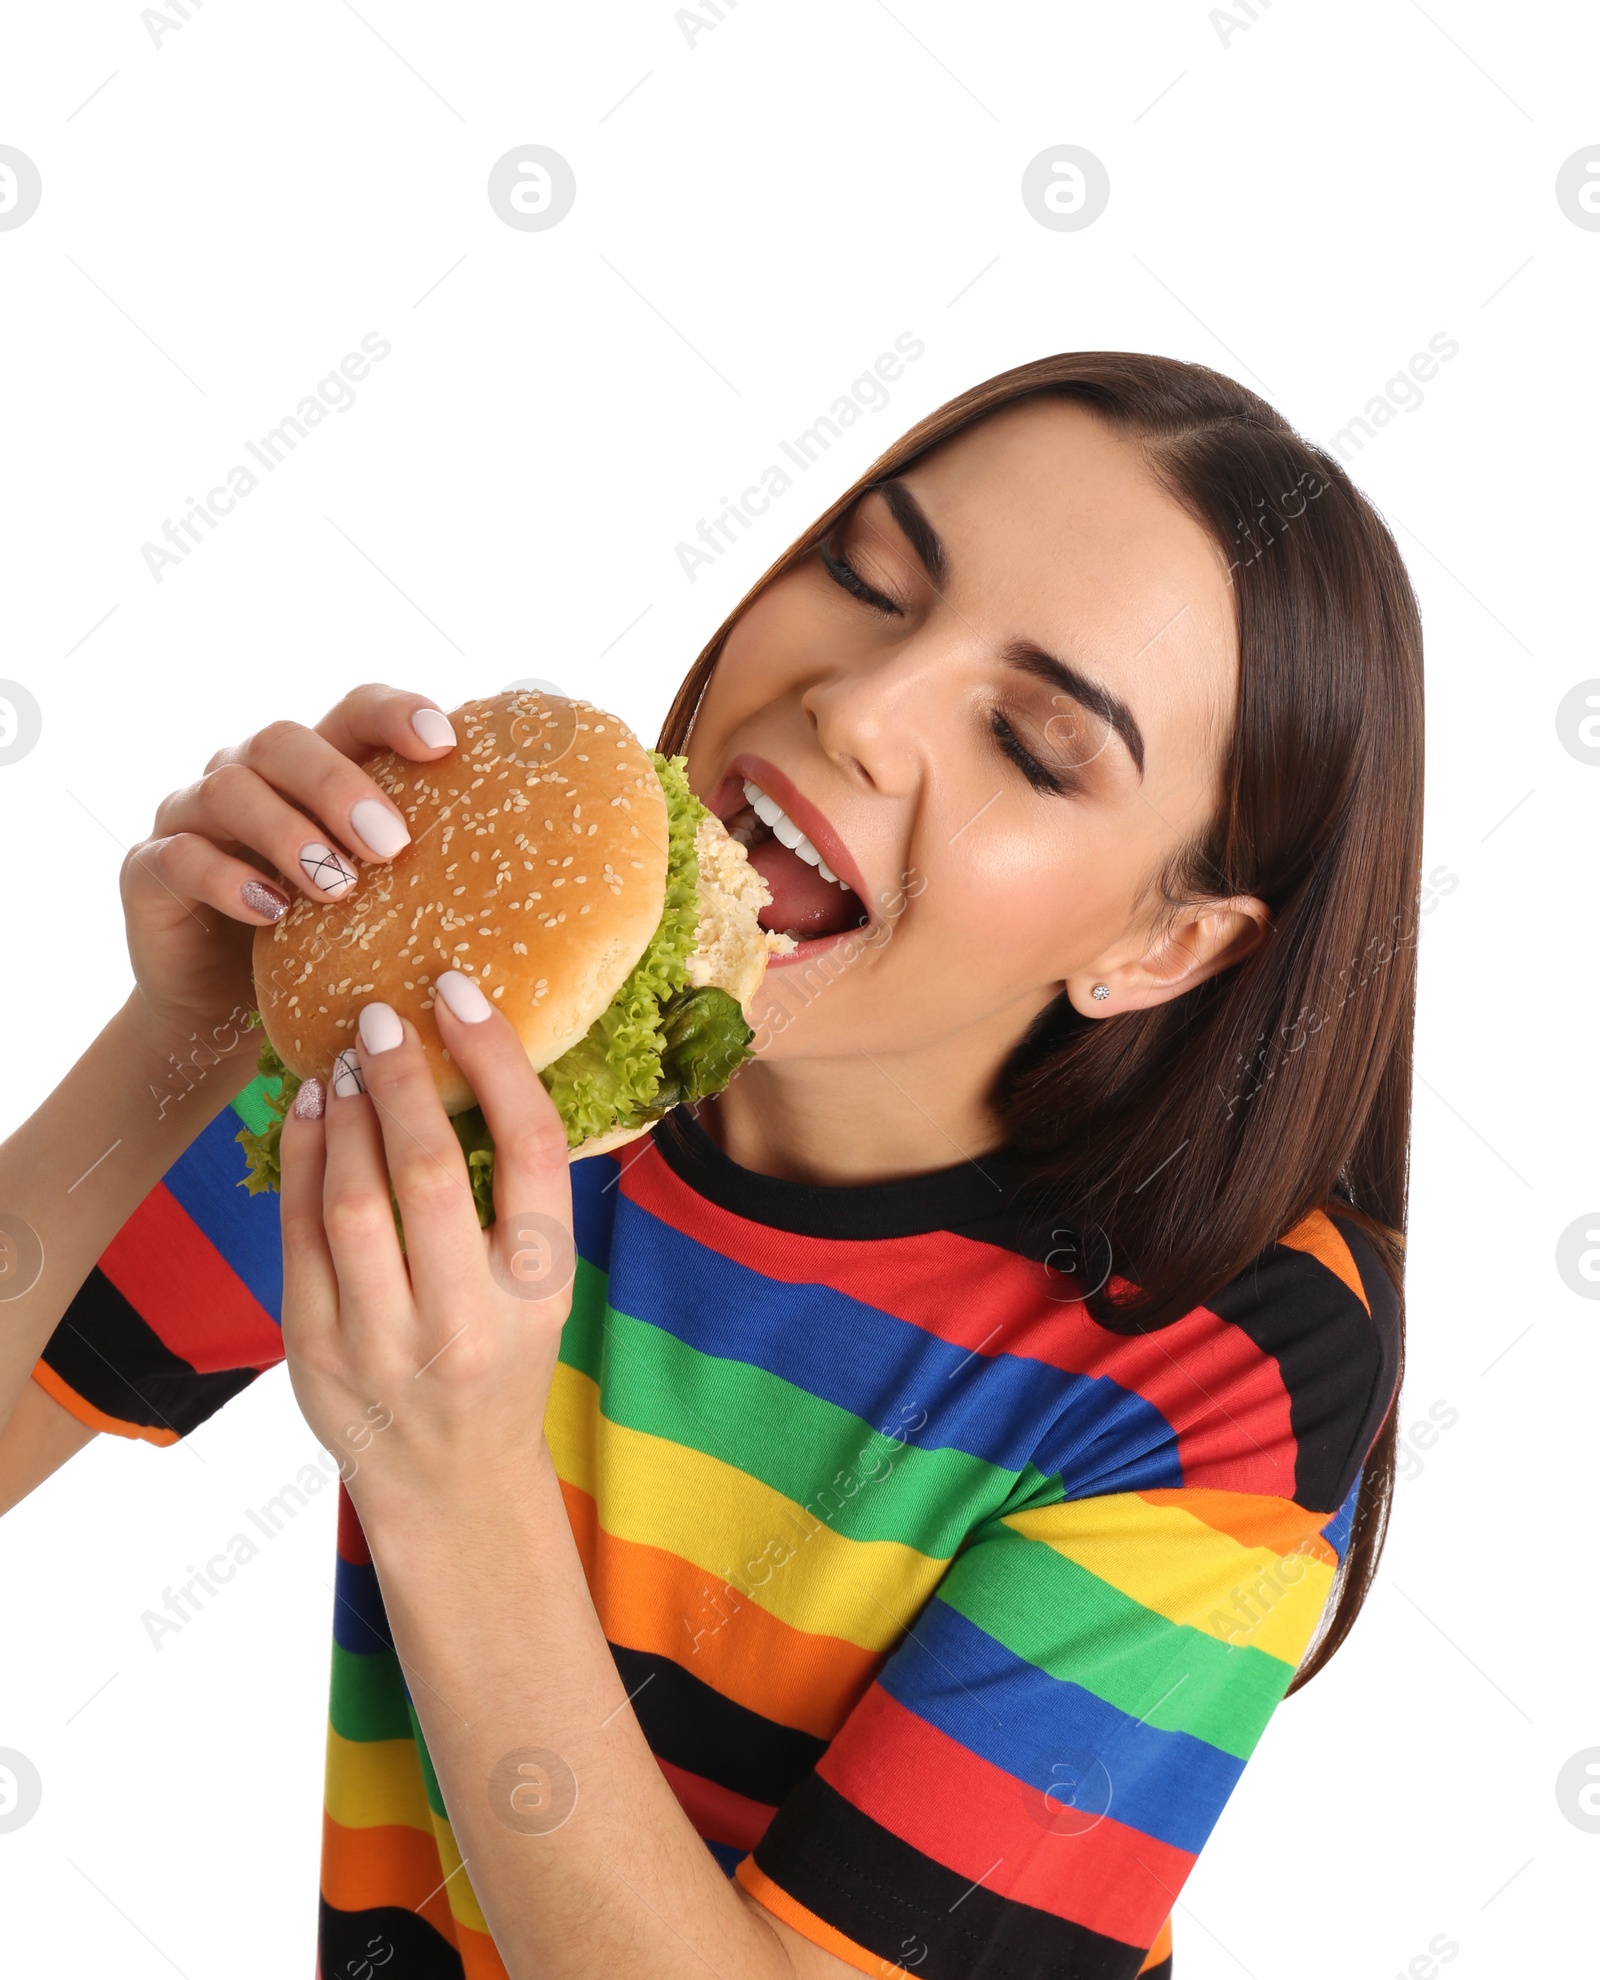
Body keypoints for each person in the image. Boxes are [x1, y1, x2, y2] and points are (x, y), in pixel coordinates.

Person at [0, 352, 1418, 1980]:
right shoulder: (494, 1046)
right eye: (869, 578)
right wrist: (171, 1053)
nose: (857, 708)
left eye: (1032, 743)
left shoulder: (1225, 1362)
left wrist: (453, 1488)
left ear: (1164, 943)